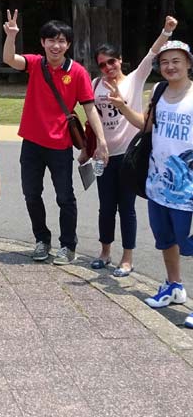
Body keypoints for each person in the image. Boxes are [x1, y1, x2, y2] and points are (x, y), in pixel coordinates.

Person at [3, 11, 108, 265]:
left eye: (61, 41)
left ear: (68, 45)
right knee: (31, 194)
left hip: (60, 145)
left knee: (65, 197)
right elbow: (10, 59)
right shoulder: (36, 64)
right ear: (42, 43)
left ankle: (68, 245)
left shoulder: (78, 72)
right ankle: (42, 240)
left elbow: (89, 107)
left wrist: (102, 141)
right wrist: (11, 36)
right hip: (31, 143)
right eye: (51, 40)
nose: (56, 45)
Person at [82, 16, 178, 277]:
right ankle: (104, 252)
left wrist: (166, 31)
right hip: (103, 156)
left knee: (126, 207)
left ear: (120, 60)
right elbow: (93, 120)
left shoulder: (134, 80)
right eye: (102, 64)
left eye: (111, 61)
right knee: (105, 207)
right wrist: (88, 149)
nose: (107, 67)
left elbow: (152, 53)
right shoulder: (93, 85)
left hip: (128, 155)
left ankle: (127, 257)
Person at [108, 39, 193, 329]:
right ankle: (174, 286)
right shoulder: (158, 90)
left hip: (188, 188)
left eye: (176, 61)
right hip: (158, 183)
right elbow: (146, 126)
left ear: (188, 64)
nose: (169, 66)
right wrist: (121, 107)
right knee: (165, 239)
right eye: (165, 61)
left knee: (189, 243)